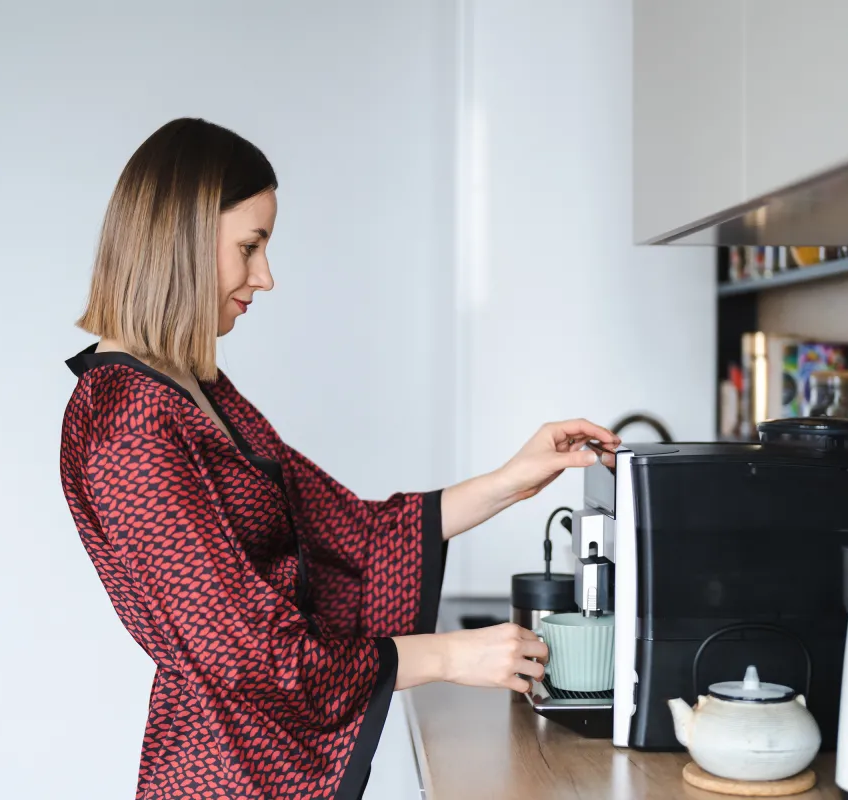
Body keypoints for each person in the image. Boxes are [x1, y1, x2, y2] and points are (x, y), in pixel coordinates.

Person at [59, 117, 620, 800]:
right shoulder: (129, 423)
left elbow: (351, 532)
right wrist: (449, 656)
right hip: (221, 776)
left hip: (256, 765)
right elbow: (249, 658)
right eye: (250, 246)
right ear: (182, 237)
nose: (264, 276)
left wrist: (513, 479)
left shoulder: (194, 387)